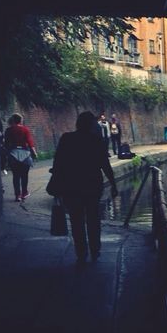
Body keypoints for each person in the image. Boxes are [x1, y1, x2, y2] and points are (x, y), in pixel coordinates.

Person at [51, 111, 119, 264]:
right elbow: (105, 165)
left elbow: (58, 163)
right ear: (91, 124)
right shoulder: (96, 140)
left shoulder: (66, 138)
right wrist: (113, 184)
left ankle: (81, 252)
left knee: (76, 221)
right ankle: (95, 249)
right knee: (93, 219)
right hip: (92, 185)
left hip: (72, 185)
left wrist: (57, 186)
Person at [2, 113, 37, 201]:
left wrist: (6, 155)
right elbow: (30, 142)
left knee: (16, 176)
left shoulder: (8, 130)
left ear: (12, 120)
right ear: (20, 120)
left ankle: (17, 195)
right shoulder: (25, 129)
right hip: (25, 154)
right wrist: (34, 153)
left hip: (13, 154)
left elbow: (6, 144)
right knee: (24, 175)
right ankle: (24, 193)